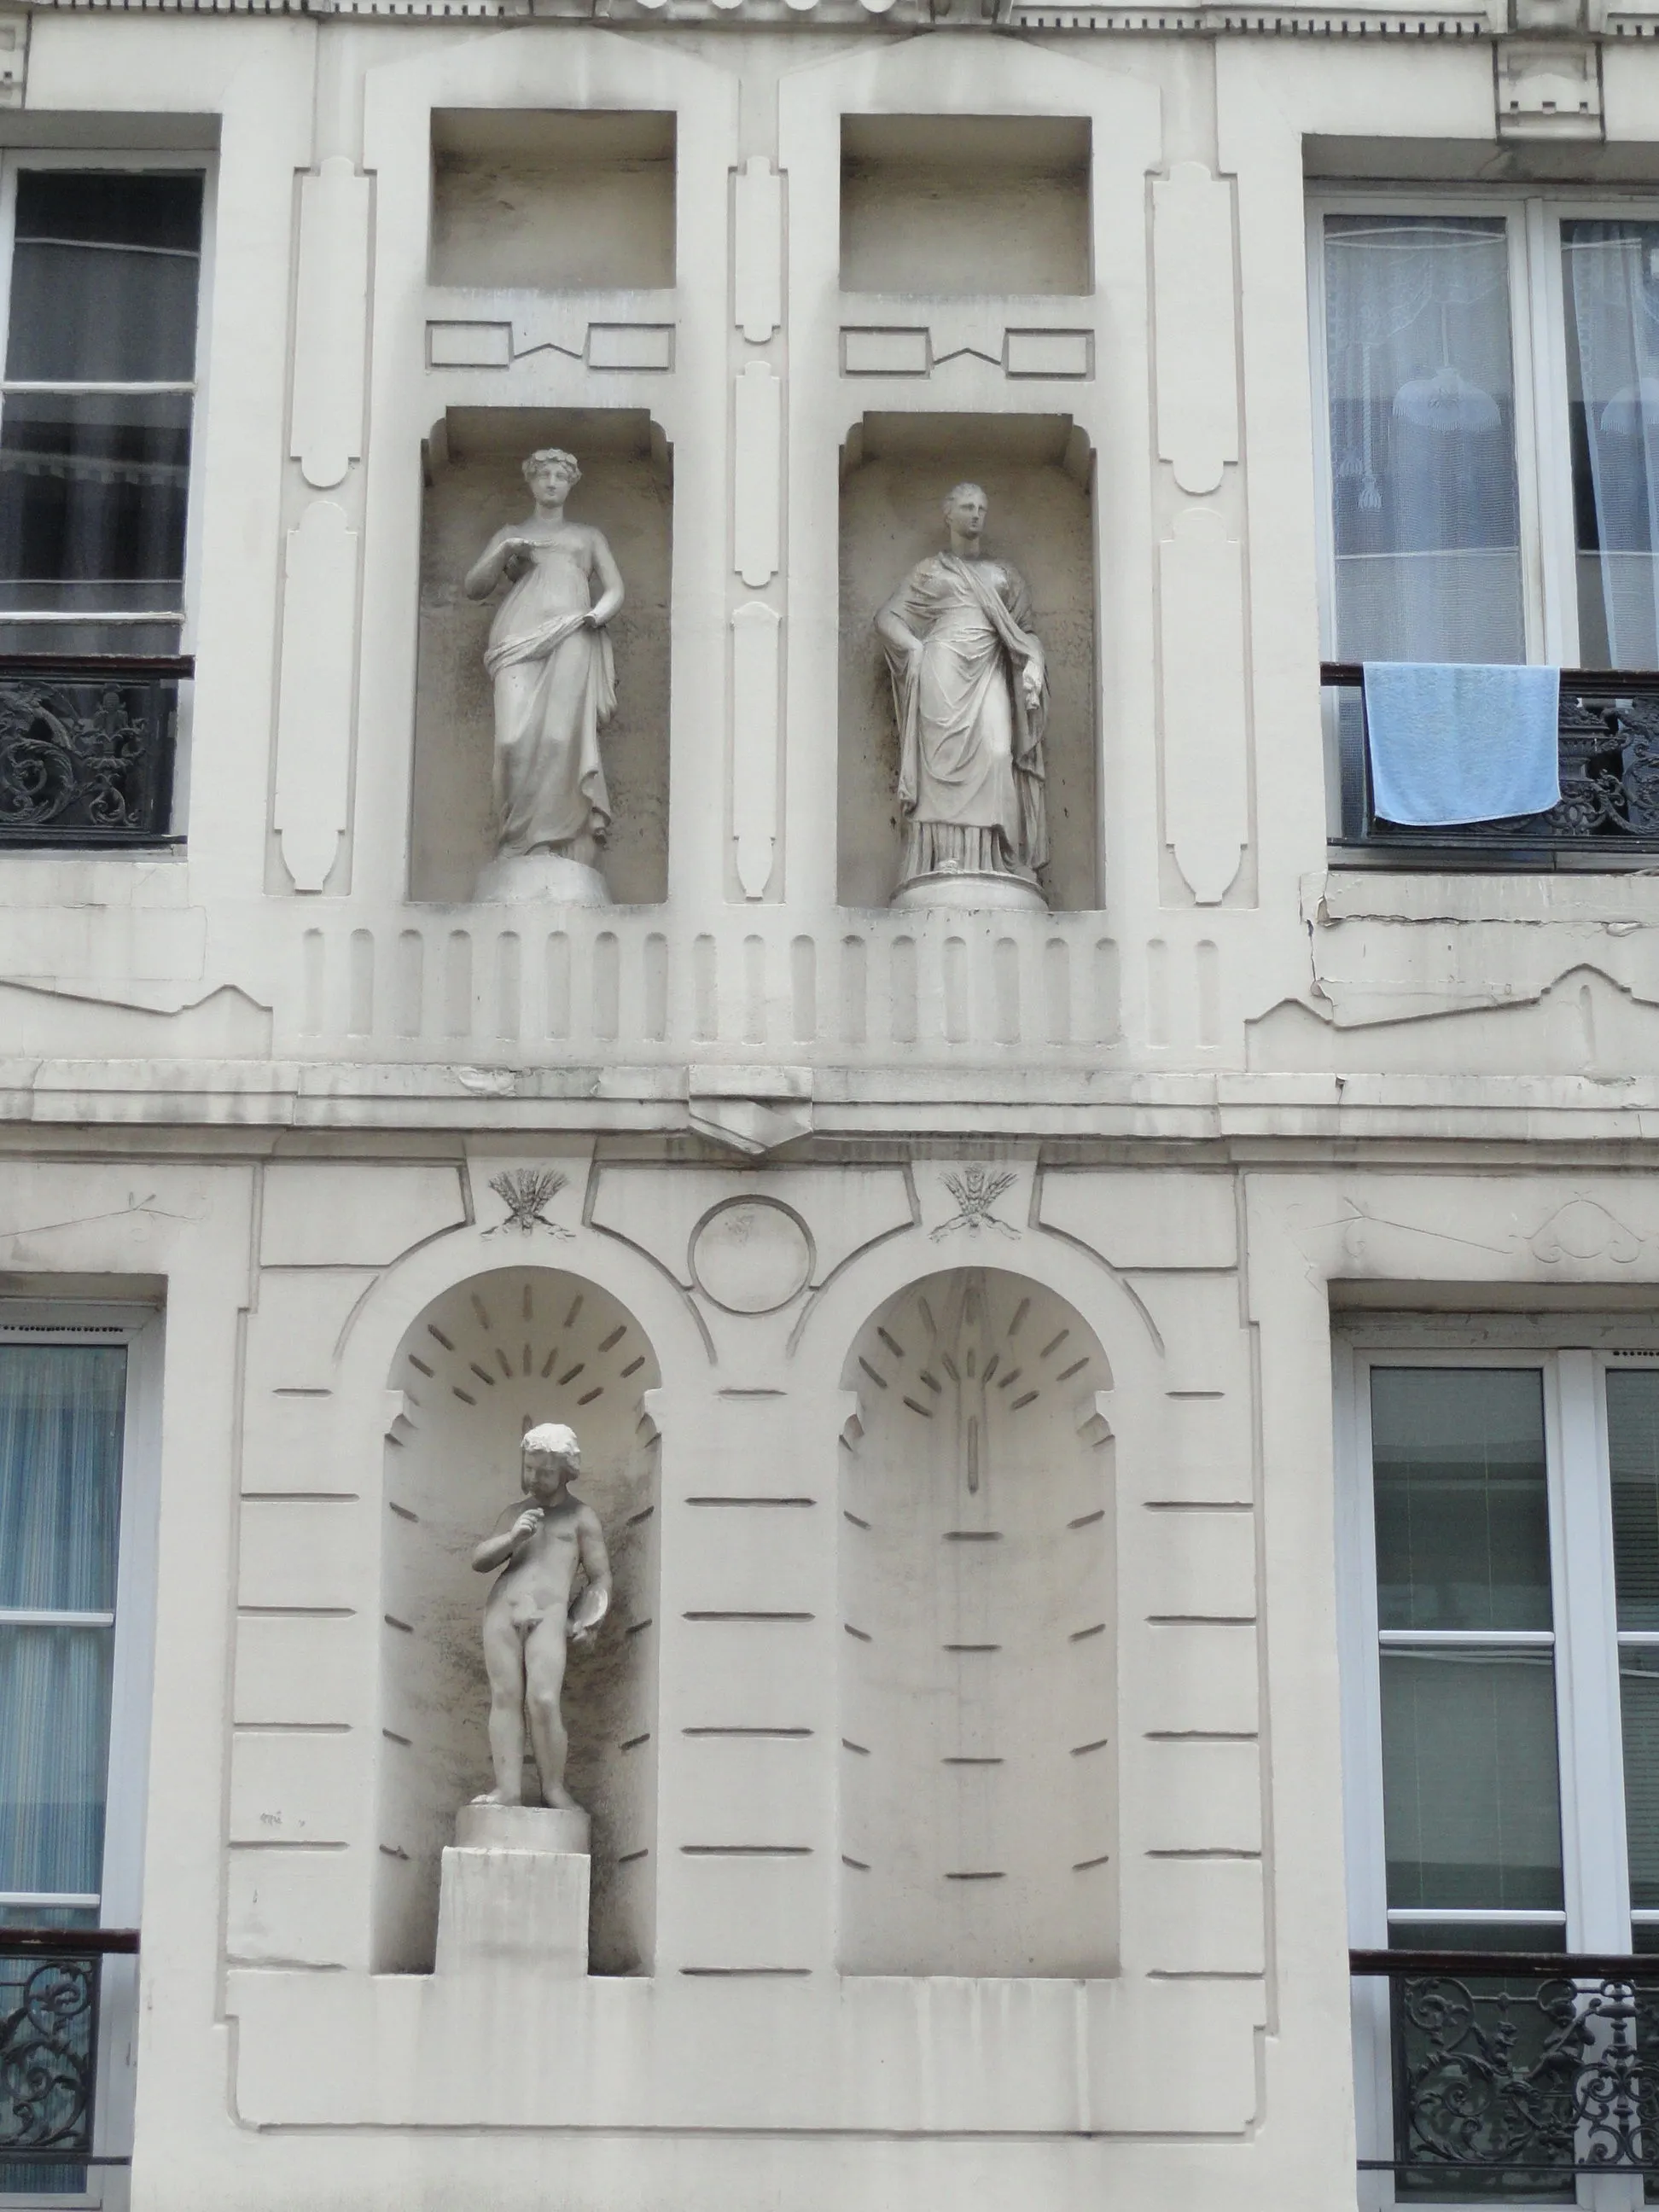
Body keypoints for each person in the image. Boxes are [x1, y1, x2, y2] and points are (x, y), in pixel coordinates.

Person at [875, 481, 1050, 894]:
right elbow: (888, 618)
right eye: (968, 507)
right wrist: (915, 649)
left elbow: (1027, 633)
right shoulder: (930, 571)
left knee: (996, 753)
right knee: (944, 761)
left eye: (982, 508)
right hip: (942, 670)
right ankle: (941, 857)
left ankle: (997, 857)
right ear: (948, 514)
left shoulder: (1004, 575)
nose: (976, 514)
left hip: (988, 668)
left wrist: (1035, 665)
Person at [463, 449, 625, 870]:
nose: (552, 482)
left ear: (572, 482)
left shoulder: (587, 537)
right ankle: (514, 843)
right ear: (531, 482)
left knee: (560, 739)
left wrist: (595, 616)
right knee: (510, 742)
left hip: (573, 633)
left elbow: (615, 589)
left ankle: (558, 843)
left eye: (560, 476)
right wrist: (504, 553)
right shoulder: (510, 533)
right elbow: (474, 586)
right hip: (516, 640)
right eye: (544, 475)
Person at [470, 1422, 611, 1811]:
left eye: (544, 1471)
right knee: (504, 1697)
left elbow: (600, 1579)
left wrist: (590, 1620)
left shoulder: (581, 1518)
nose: (534, 1477)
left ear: (566, 1471)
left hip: (549, 1615)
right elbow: (481, 1560)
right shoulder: (515, 1514)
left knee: (544, 1700)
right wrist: (513, 1538)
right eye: (529, 1468)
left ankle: (554, 1789)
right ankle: (508, 1790)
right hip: (503, 1611)